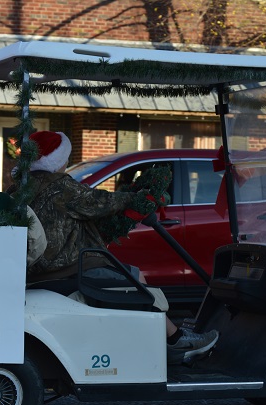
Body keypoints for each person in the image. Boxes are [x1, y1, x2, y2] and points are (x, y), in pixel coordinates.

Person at [18, 130, 219, 365]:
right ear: (58, 160)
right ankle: (176, 342)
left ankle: (162, 339)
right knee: (137, 279)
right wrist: (134, 198)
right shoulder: (60, 187)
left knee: (127, 275)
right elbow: (99, 202)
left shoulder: (22, 188)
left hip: (41, 269)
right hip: (68, 268)